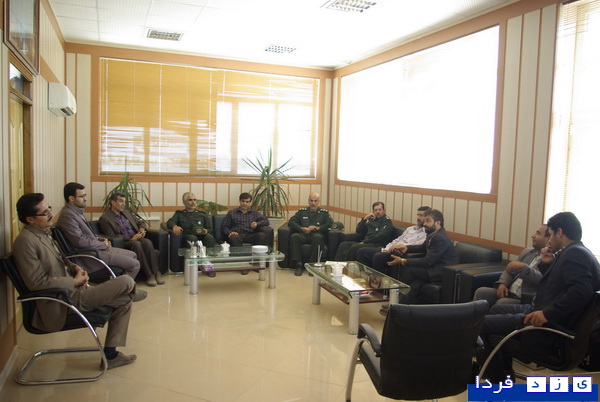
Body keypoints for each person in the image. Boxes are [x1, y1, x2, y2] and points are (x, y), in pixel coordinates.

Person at [13, 193, 137, 369]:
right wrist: (74, 282)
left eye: (49, 209)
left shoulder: (44, 233)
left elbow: (60, 261)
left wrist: (75, 268)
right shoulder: (25, 242)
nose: (50, 214)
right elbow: (36, 282)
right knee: (126, 282)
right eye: (45, 212)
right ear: (30, 219)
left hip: (76, 291)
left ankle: (111, 355)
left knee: (125, 301)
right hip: (64, 301)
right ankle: (131, 291)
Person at [478, 212, 600, 382]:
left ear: (559, 232)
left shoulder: (574, 254)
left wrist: (547, 314)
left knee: (481, 324)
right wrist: (546, 264)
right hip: (550, 321)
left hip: (548, 330)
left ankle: (496, 381)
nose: (549, 240)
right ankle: (503, 373)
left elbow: (581, 291)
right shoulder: (578, 252)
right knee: (496, 311)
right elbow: (557, 285)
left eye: (550, 234)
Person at [56, 182, 145, 301]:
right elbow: (79, 241)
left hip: (97, 249)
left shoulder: (76, 212)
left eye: (85, 195)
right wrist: (102, 244)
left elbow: (87, 234)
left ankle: (123, 289)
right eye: (82, 196)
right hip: (90, 255)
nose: (85, 199)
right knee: (135, 264)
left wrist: (99, 239)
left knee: (133, 254)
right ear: (71, 198)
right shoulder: (67, 216)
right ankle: (119, 292)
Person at [381, 209, 458, 312]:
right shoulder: (433, 233)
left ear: (438, 223)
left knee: (410, 270)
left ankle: (395, 303)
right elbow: (422, 247)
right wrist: (406, 248)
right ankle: (397, 305)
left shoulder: (440, 238)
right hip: (433, 267)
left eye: (428, 221)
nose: (424, 224)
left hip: (442, 271)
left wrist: (403, 261)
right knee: (416, 283)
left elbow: (427, 261)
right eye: (425, 221)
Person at [473, 224, 549, 308]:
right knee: (481, 292)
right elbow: (509, 270)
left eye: (538, 233)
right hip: (509, 291)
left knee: (502, 303)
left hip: (525, 299)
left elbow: (542, 280)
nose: (533, 236)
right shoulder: (528, 252)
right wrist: (503, 284)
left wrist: (524, 267)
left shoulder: (550, 259)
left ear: (548, 239)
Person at [99, 192, 164, 287]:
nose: (123, 204)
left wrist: (141, 230)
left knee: (147, 242)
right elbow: (111, 236)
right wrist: (131, 238)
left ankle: (156, 272)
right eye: (121, 201)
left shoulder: (126, 212)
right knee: (136, 244)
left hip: (136, 237)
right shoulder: (105, 218)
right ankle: (149, 275)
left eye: (124, 202)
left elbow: (140, 222)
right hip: (124, 242)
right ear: (113, 202)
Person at [356, 205, 429, 271]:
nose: (418, 218)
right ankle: (364, 276)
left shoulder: (427, 233)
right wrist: (388, 248)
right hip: (390, 249)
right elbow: (398, 239)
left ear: (428, 217)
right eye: (417, 215)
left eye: (421, 215)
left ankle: (378, 279)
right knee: (362, 251)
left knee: (378, 256)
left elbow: (417, 246)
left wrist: (398, 247)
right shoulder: (410, 229)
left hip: (400, 253)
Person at [167, 192, 216, 277]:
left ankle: (207, 264)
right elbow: (170, 222)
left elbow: (210, 229)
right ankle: (195, 266)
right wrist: (174, 226)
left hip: (202, 236)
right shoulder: (179, 214)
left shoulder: (202, 214)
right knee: (193, 239)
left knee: (209, 237)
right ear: (184, 202)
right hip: (188, 236)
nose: (193, 202)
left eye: (194, 200)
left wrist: (207, 231)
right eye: (190, 200)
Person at [288, 192, 333, 276]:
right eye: (311, 201)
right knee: (294, 236)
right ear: (308, 201)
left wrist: (317, 228)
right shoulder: (302, 212)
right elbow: (291, 221)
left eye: (315, 201)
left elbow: (330, 224)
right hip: (304, 235)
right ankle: (299, 265)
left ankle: (311, 265)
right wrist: (301, 228)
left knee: (318, 237)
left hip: (316, 235)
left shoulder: (324, 213)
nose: (313, 203)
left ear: (318, 201)